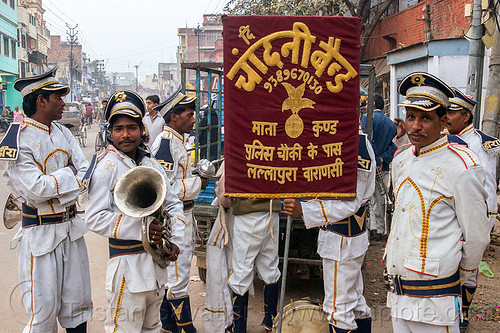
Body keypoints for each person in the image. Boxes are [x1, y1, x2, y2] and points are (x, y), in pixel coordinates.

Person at [385, 72, 490, 332]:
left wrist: (457, 277)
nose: (415, 126)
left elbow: (477, 237)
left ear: (443, 121)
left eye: (425, 118)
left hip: (437, 297)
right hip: (399, 291)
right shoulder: (402, 159)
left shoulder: (462, 165)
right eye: (411, 116)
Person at [85, 90, 185, 332]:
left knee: (152, 327)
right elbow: (94, 218)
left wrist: (176, 241)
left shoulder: (152, 164)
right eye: (118, 129)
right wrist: (143, 229)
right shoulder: (104, 167)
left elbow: (173, 204)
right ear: (110, 133)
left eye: (132, 127)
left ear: (142, 130)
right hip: (127, 268)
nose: (126, 134)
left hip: (156, 267)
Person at [0, 67, 92, 332]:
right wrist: (70, 174)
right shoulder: (17, 139)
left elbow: (86, 171)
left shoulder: (62, 132)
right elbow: (36, 190)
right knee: (42, 313)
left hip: (71, 230)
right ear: (41, 100)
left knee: (78, 306)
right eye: (58, 97)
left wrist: (65, 180)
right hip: (39, 236)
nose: (64, 103)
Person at [283, 129, 376, 333]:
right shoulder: (337, 136)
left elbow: (351, 202)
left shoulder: (356, 143)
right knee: (355, 303)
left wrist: (305, 209)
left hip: (343, 238)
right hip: (341, 237)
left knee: (338, 310)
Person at [151, 88, 209, 333]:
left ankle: (168, 326)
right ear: (174, 116)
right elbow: (164, 186)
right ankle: (184, 328)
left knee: (175, 275)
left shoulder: (175, 141)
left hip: (183, 213)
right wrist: (199, 183)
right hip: (175, 217)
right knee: (178, 276)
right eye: (189, 114)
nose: (194, 118)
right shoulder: (166, 143)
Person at [445, 88, 499, 332]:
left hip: (472, 218)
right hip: (450, 215)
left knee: (467, 272)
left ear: (466, 116)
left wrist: (483, 225)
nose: (446, 116)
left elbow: (486, 187)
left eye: (452, 112)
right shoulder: (445, 138)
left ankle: (462, 317)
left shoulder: (480, 143)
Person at [361, 94, 397, 240]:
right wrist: (383, 159)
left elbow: (368, 142)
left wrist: (376, 160)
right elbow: (394, 145)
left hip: (370, 165)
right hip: (384, 165)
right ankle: (382, 229)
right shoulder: (390, 123)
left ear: (373, 104)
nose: (365, 107)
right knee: (381, 197)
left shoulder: (367, 119)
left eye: (367, 104)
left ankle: (375, 228)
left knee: (370, 197)